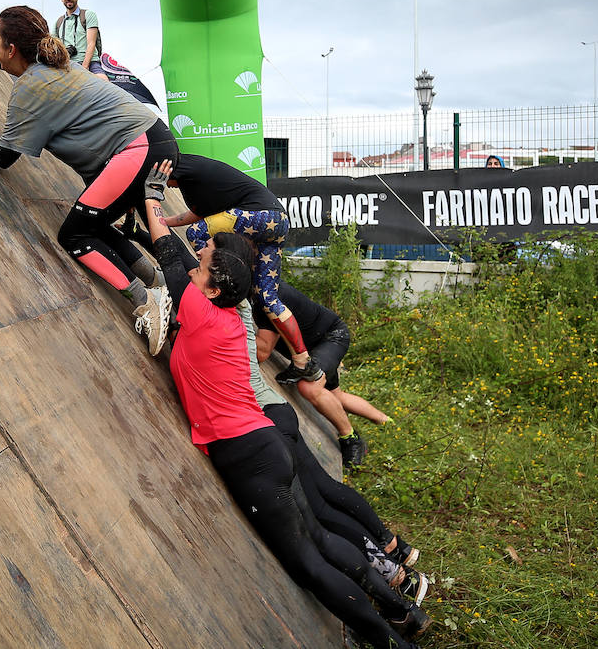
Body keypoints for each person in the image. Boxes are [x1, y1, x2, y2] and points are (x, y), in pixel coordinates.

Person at [140, 161, 429, 648]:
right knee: (318, 535)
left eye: (204, 265)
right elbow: (184, 263)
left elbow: (165, 248)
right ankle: (404, 615)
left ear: (209, 287)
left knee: (310, 565)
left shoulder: (196, 307)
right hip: (265, 439)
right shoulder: (231, 313)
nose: (198, 264)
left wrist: (151, 200)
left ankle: (389, 640)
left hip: (246, 453)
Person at [0, 0, 176, 351]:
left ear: (13, 49)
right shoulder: (49, 63)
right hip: (153, 139)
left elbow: (3, 156)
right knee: (94, 221)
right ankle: (162, 282)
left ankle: (146, 301)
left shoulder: (30, 89)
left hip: (136, 150)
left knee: (74, 235)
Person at [241, 305, 427, 601]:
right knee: (325, 491)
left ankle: (397, 570)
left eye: (201, 263)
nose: (198, 255)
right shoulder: (250, 292)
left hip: (290, 388)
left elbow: (265, 347)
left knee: (322, 507)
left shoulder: (259, 294)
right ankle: (395, 553)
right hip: (276, 407)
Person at [158, 153, 319, 379]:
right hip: (277, 222)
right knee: (267, 297)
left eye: (169, 182)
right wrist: (162, 222)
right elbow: (193, 214)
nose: (170, 187)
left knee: (197, 234)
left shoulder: (191, 175)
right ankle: (303, 361)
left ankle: (213, 294)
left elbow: (196, 221)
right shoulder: (204, 176)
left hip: (260, 215)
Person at [252, 283, 388, 468]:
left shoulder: (267, 298)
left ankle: (350, 438)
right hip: (312, 348)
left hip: (330, 338)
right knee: (335, 395)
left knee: (309, 387)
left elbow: (262, 352)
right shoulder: (262, 286)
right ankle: (385, 421)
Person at [52, 0, 102, 75]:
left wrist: (84, 67)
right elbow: (54, 49)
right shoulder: (57, 23)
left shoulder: (88, 15)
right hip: (67, 66)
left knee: (104, 84)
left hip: (90, 63)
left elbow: (91, 43)